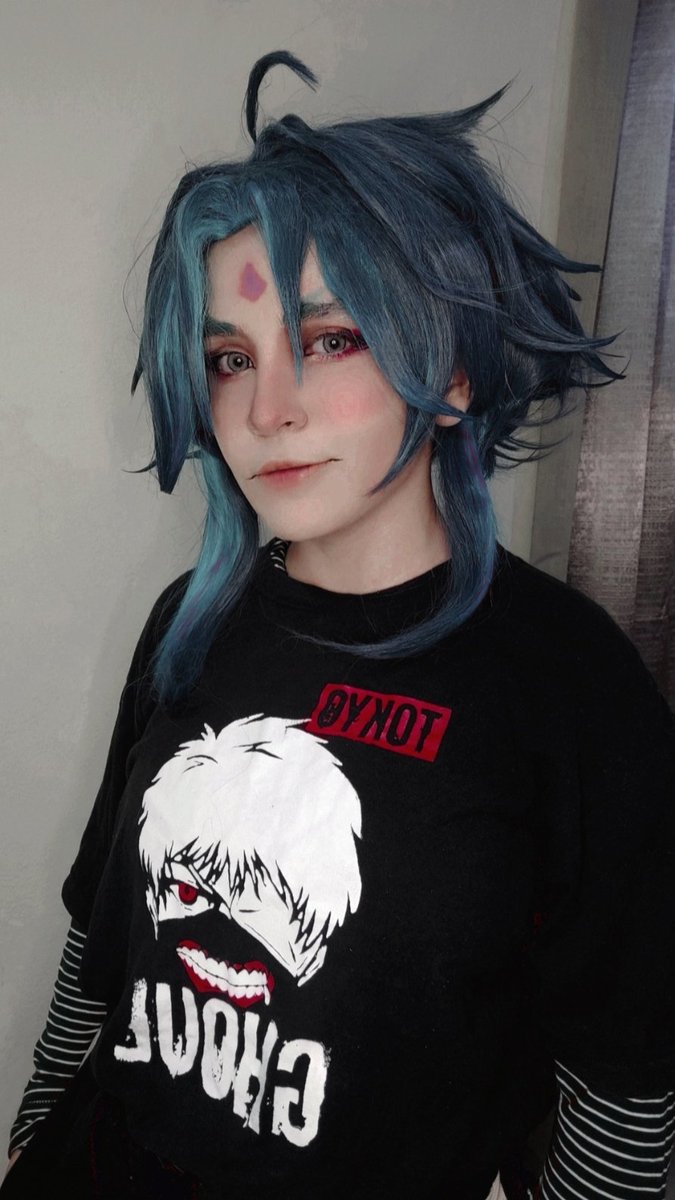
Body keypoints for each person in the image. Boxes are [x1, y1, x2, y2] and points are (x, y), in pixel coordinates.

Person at [3, 48, 674, 1200]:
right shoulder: (191, 623)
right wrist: (28, 1134)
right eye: (231, 358)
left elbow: (625, 1090)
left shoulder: (570, 686)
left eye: (330, 340)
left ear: (451, 372)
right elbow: (100, 948)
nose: (267, 410)